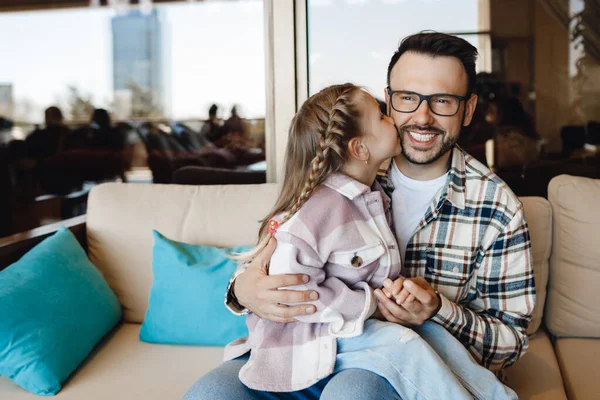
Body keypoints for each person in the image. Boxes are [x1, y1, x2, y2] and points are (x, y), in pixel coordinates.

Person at [187, 32, 536, 399]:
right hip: (304, 345)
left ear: (467, 109)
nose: (422, 116)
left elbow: (509, 344)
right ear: (389, 101)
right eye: (407, 98)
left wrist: (435, 310)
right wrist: (243, 288)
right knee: (210, 393)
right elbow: (281, 248)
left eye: (443, 101)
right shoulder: (340, 175)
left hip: (392, 360)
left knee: (352, 392)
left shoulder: (498, 209)